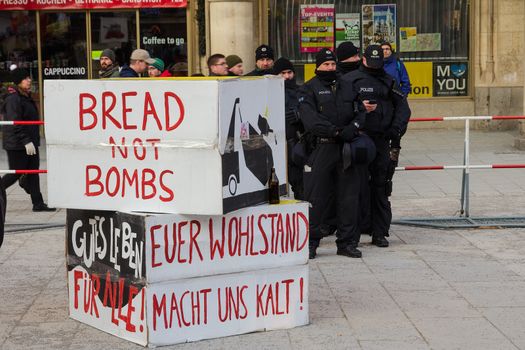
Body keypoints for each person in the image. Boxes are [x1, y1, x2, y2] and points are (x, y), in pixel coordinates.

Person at [340, 45, 411, 247]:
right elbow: (339, 109)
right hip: (358, 140)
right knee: (355, 188)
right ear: (363, 60)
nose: (374, 66)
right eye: (371, 63)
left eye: (378, 63)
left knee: (380, 186)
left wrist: (394, 130)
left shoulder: (389, 81)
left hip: (381, 139)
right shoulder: (350, 80)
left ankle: (379, 232)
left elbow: (403, 109)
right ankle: (351, 235)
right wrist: (359, 109)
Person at [298, 49, 363, 259]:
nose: (330, 69)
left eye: (333, 65)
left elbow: (361, 111)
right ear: (318, 66)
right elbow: (310, 120)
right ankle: (311, 243)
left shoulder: (347, 85)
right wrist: (334, 131)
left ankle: (347, 242)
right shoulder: (309, 88)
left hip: (346, 147)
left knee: (348, 197)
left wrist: (353, 127)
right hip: (322, 147)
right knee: (316, 197)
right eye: (326, 65)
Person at [1, 68, 55, 212]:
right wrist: (26, 141)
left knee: (33, 171)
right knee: (16, 173)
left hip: (29, 142)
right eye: (26, 78)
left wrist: (31, 141)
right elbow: (15, 122)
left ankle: (37, 203)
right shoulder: (13, 98)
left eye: (29, 78)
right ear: (19, 81)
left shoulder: (25, 96)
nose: (29, 80)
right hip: (17, 144)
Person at [273, 57, 303, 200]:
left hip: (295, 141)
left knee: (299, 183)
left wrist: (299, 115)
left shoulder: (300, 91)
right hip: (276, 143)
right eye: (282, 73)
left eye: (289, 72)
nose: (286, 76)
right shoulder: (270, 92)